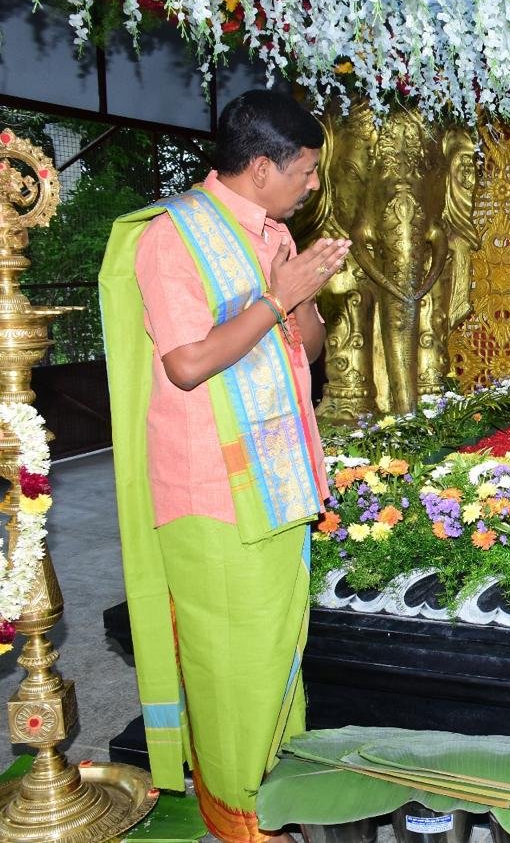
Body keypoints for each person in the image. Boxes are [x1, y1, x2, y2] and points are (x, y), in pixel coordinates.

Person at [99, 89, 350, 842]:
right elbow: (186, 364)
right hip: (210, 489)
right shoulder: (172, 237)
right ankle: (243, 822)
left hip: (277, 480)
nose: (313, 184)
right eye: (306, 170)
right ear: (264, 167)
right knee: (231, 665)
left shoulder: (272, 232)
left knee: (273, 656)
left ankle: (273, 799)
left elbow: (308, 350)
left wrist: (299, 293)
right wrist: (278, 297)